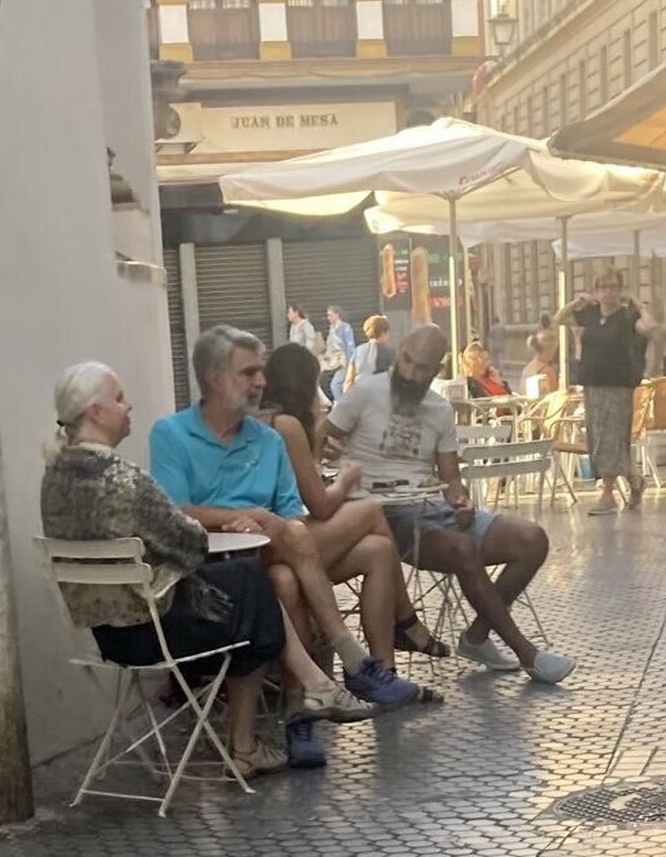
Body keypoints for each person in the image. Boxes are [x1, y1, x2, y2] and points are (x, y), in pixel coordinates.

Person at [41, 361, 361, 775]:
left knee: (250, 590)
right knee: (254, 587)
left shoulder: (55, 476)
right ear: (95, 412)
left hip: (105, 635)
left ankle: (311, 689)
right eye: (119, 399)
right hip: (152, 632)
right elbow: (190, 543)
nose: (129, 405)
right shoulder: (124, 480)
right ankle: (257, 735)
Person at [149, 326, 434, 727]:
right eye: (249, 373)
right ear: (215, 379)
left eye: (261, 372)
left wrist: (268, 523)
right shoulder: (172, 434)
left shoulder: (268, 440)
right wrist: (241, 519)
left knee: (372, 550)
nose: (261, 382)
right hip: (214, 569)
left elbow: (292, 513)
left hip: (272, 553)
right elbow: (176, 510)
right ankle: (354, 663)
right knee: (332, 538)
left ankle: (333, 692)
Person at [320, 325, 577, 684]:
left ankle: (476, 636)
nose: (410, 372)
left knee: (532, 539)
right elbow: (319, 438)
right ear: (400, 351)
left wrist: (460, 498)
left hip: (429, 507)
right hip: (379, 512)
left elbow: (450, 477)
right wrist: (327, 448)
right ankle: (527, 654)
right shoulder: (365, 391)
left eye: (422, 367)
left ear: (436, 370)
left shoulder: (439, 409)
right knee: (462, 549)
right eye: (406, 361)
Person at [259, 343, 450, 664]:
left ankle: (384, 669)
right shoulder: (285, 425)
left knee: (379, 549)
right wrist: (347, 479)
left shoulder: (275, 422)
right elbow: (318, 504)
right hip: (285, 540)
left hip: (291, 535)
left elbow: (299, 485)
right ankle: (405, 620)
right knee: (371, 509)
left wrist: (319, 454)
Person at [553, 269, 658, 515]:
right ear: (597, 290)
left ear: (620, 291)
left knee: (611, 437)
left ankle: (608, 495)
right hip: (592, 384)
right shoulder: (589, 315)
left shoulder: (627, 317)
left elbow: (650, 326)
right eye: (603, 287)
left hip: (617, 385)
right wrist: (577, 302)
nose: (609, 292)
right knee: (598, 439)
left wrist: (640, 304)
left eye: (613, 287)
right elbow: (558, 319)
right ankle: (635, 480)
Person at [344, 315, 393, 392]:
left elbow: (349, 380)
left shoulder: (357, 351)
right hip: (380, 397)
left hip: (359, 395)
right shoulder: (390, 352)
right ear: (384, 332)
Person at [320, 306, 356, 402]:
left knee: (335, 384)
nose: (328, 318)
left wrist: (350, 362)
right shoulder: (332, 328)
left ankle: (341, 406)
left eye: (330, 315)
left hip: (343, 360)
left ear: (337, 315)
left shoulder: (345, 327)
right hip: (334, 359)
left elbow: (350, 345)